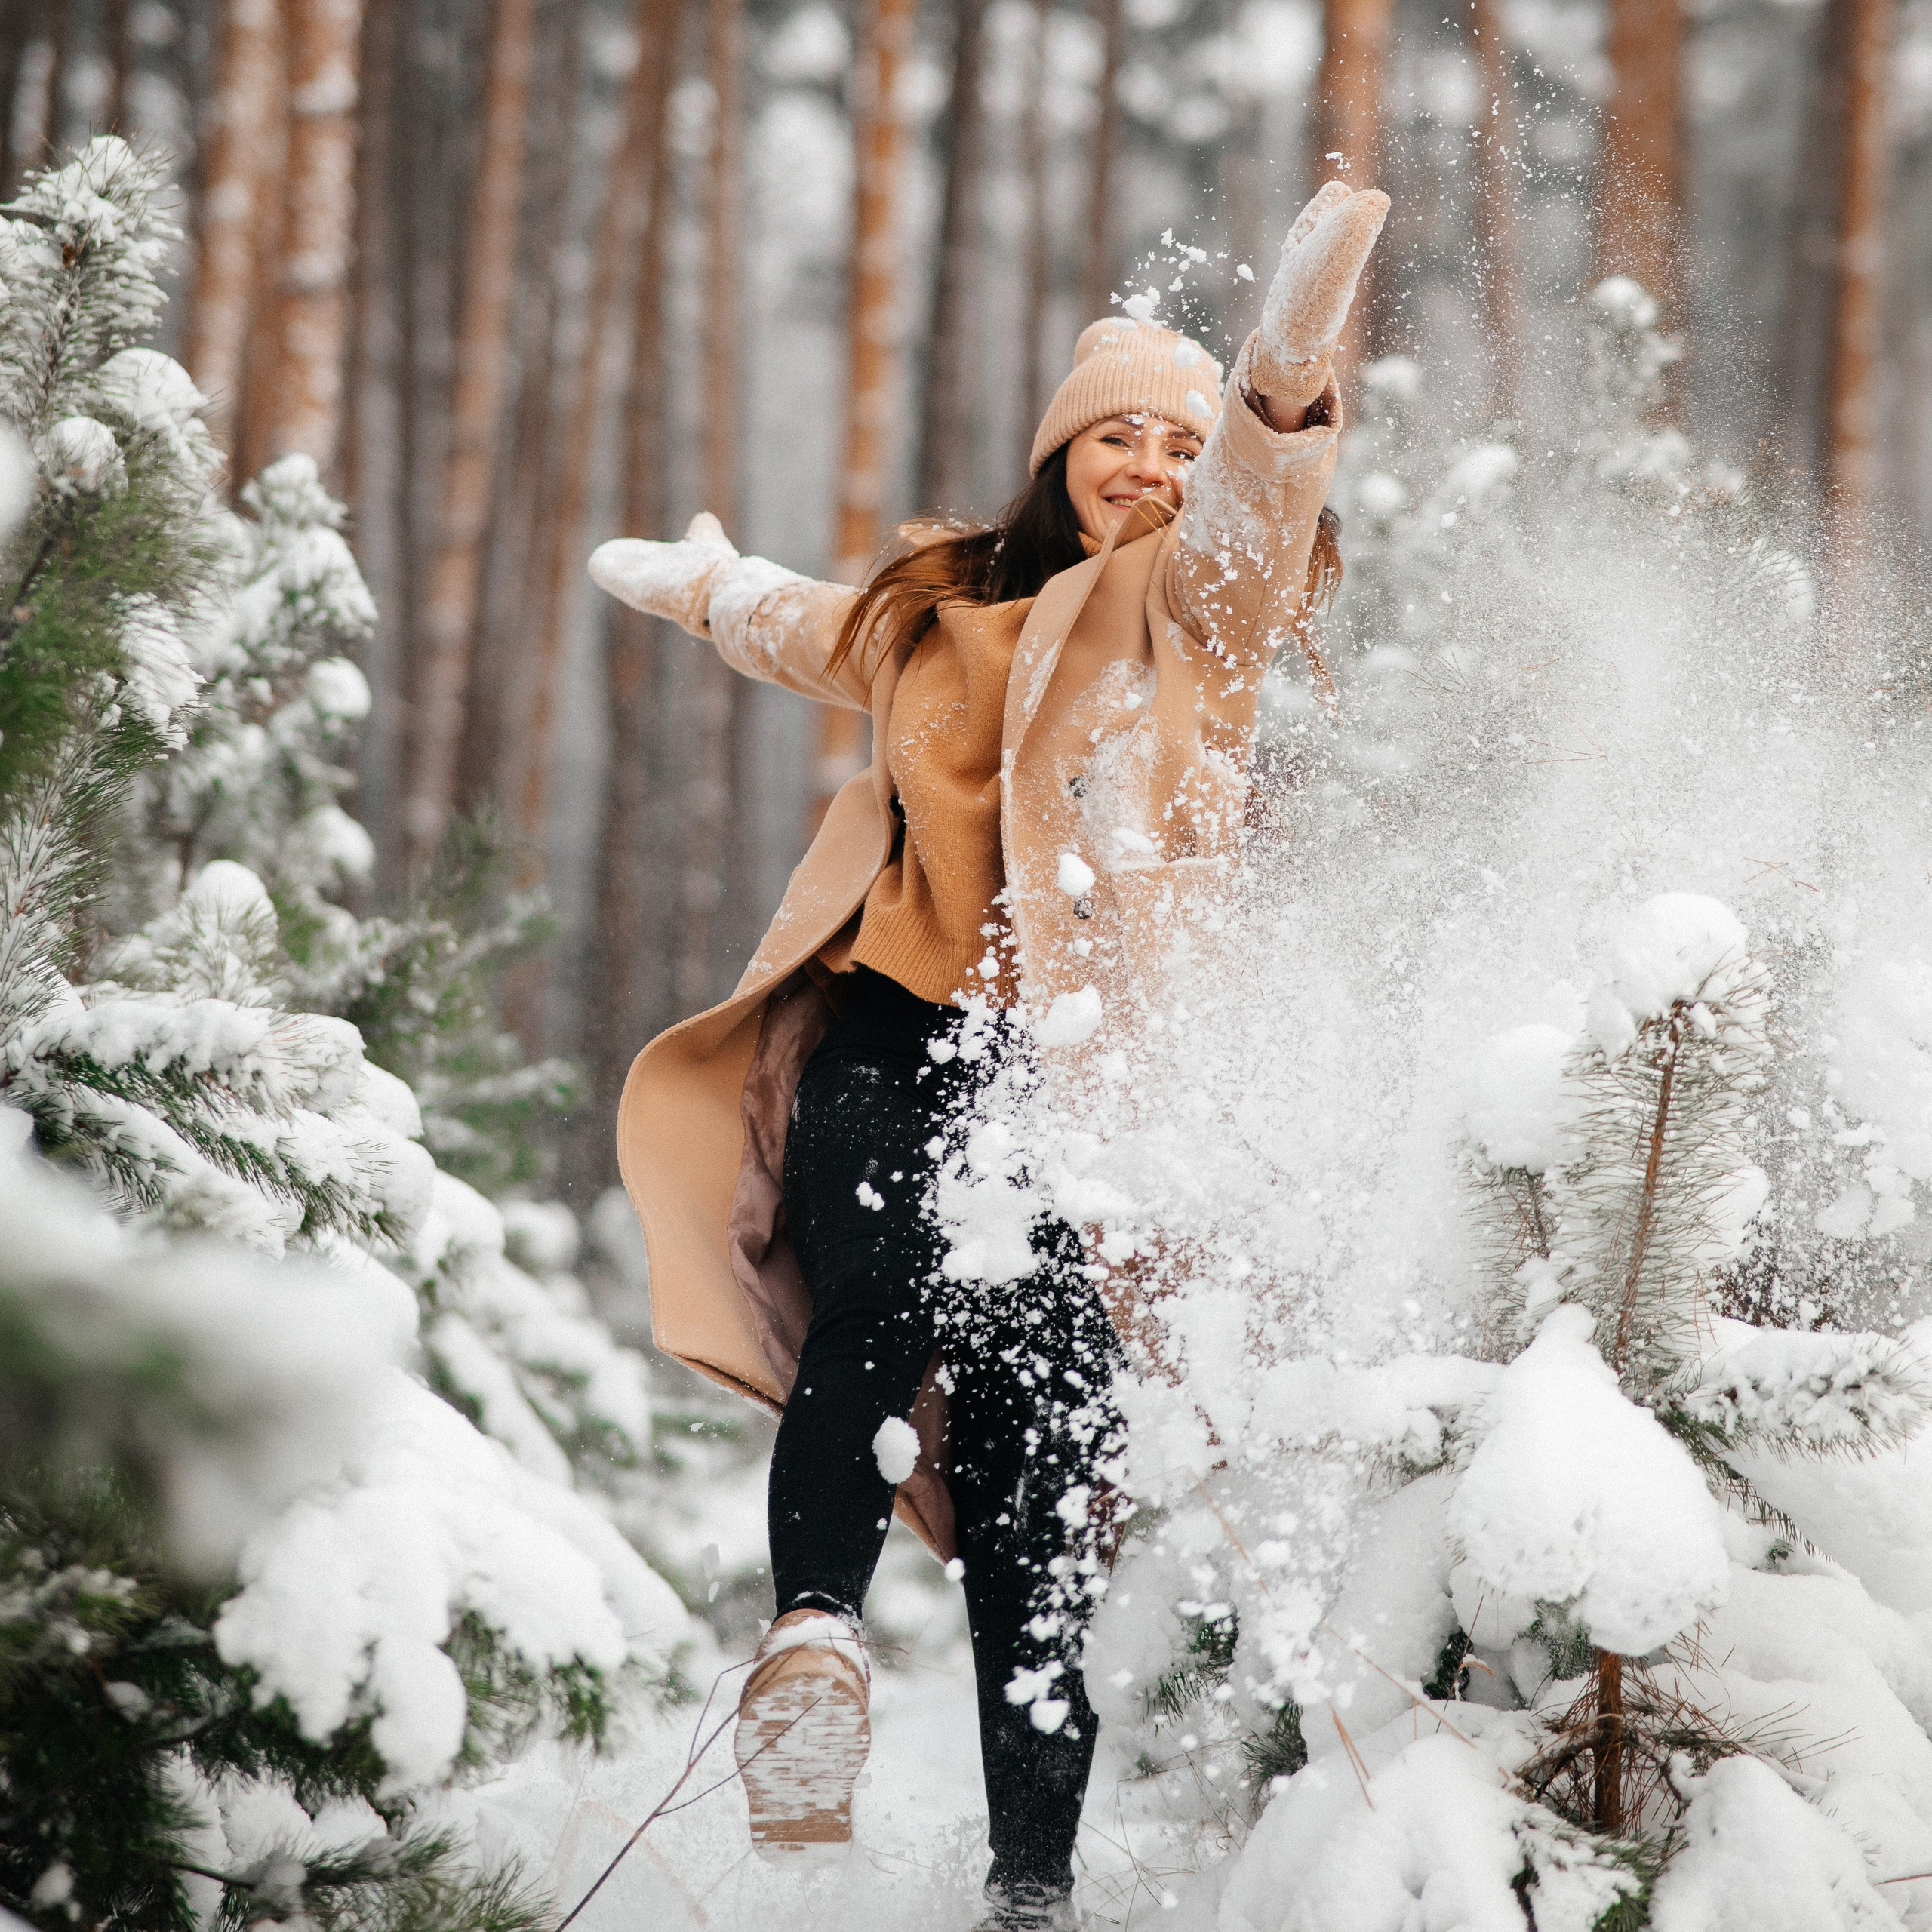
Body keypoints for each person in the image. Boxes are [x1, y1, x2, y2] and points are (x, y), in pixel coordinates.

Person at [587, 179, 1389, 1932]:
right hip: (886, 1033)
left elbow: (1259, 521)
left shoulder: (1202, 624)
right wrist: (710, 585)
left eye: (1177, 450)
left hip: (1073, 1096)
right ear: (1059, 455)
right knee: (875, 1286)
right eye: (1120, 436)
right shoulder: (934, 613)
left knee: (1038, 1491)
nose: (1151, 470)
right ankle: (809, 1647)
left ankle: (1029, 1888)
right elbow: (806, 622)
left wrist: (1276, 389)